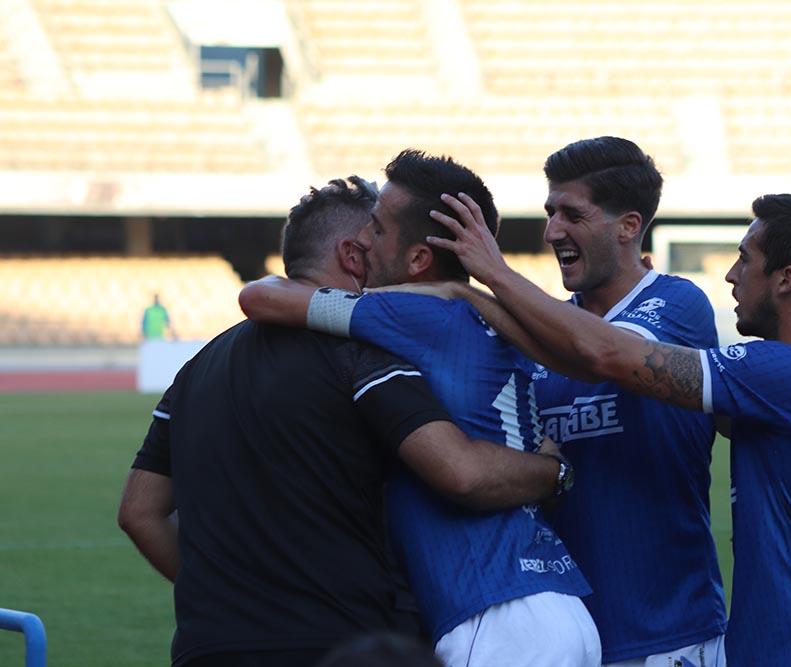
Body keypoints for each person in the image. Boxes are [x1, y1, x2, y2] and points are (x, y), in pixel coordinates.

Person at [421, 191, 791, 666]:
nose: (731, 275)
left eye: (745, 260)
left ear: (786, 280)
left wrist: (487, 279)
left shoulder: (787, 373)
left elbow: (617, 358)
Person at [117, 177, 569, 667]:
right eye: (373, 234)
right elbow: (459, 470)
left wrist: (225, 598)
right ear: (353, 256)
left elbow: (139, 512)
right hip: (337, 644)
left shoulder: (196, 367)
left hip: (207, 646)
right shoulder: (363, 354)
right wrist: (556, 472)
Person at [239, 151, 600, 667]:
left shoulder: (408, 312)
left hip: (494, 617)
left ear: (418, 261)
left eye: (379, 229)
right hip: (558, 601)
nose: (364, 240)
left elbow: (261, 297)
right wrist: (465, 290)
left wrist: (448, 291)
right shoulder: (499, 320)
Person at [526, 137, 726, 665]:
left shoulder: (679, 304)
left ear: (628, 226)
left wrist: (487, 276)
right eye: (550, 213)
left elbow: (606, 352)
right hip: (566, 637)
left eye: (572, 213)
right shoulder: (542, 335)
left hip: (669, 635)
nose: (552, 231)